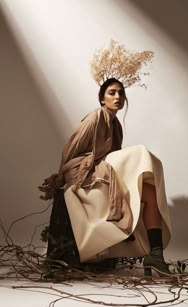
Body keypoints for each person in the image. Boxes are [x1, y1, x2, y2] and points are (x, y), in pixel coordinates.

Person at [39, 78, 171, 276]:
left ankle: (155, 255)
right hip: (84, 175)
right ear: (102, 99)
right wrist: (60, 179)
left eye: (121, 93)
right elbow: (69, 152)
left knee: (150, 191)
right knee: (139, 153)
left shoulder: (116, 126)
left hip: (105, 174)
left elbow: (113, 157)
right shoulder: (93, 119)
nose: (117, 97)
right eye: (112, 93)